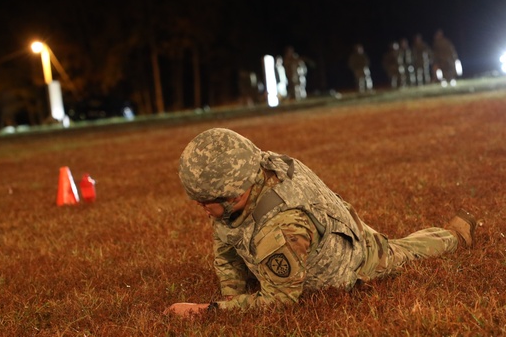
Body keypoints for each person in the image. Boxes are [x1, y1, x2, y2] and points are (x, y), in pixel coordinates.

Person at [165, 128, 478, 317]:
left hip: (356, 260)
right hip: (330, 224)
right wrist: (231, 295)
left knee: (400, 253)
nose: (201, 207)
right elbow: (226, 235)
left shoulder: (281, 228)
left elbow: (280, 301)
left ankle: (455, 235)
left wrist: (205, 312)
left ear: (235, 194)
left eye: (206, 202)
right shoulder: (254, 167)